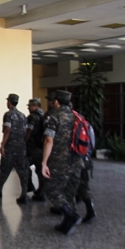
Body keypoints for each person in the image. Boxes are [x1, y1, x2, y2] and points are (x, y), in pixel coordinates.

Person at [41, 90, 84, 235]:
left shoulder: (54, 117)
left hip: (60, 161)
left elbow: (48, 140)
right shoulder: (78, 116)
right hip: (77, 160)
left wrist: (44, 162)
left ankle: (71, 215)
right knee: (69, 191)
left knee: (51, 189)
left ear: (57, 101)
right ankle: (67, 221)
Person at [0, 94, 30, 204]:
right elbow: (26, 131)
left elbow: (7, 129)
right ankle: (24, 194)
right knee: (22, 171)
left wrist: (2, 144)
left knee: (5, 170)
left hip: (10, 147)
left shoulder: (8, 115)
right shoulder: (23, 115)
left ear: (10, 102)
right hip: (21, 147)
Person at [24, 98, 46, 201]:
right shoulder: (44, 115)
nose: (28, 108)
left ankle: (29, 187)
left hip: (32, 147)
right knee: (40, 169)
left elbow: (29, 131)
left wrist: (24, 141)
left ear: (36, 106)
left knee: (24, 165)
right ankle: (42, 190)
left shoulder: (32, 117)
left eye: (30, 106)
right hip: (41, 146)